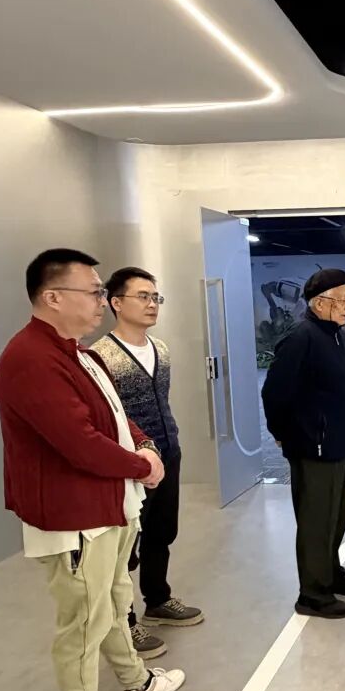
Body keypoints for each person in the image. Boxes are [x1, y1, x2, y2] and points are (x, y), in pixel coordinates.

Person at [0, 249, 185, 691]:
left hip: (109, 504)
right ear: (53, 297)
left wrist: (143, 445)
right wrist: (142, 465)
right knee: (83, 622)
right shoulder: (30, 359)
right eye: (95, 291)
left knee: (114, 602)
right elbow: (78, 442)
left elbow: (115, 416)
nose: (103, 299)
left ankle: (136, 683)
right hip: (73, 516)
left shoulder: (78, 353)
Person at [93, 267, 203, 661]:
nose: (152, 304)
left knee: (162, 531)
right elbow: (108, 417)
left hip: (168, 452)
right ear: (116, 302)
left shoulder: (161, 348)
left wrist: (168, 445)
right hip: (130, 463)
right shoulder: (100, 355)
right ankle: (124, 622)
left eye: (156, 297)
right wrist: (133, 456)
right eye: (143, 296)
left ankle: (157, 600)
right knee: (125, 547)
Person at [261, 268, 345, 619]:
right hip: (314, 448)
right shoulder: (301, 338)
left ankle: (331, 574)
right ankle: (313, 593)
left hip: (343, 445)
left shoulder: (339, 337)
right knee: (316, 522)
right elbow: (274, 393)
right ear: (319, 303)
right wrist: (282, 433)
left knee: (336, 517)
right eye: (341, 300)